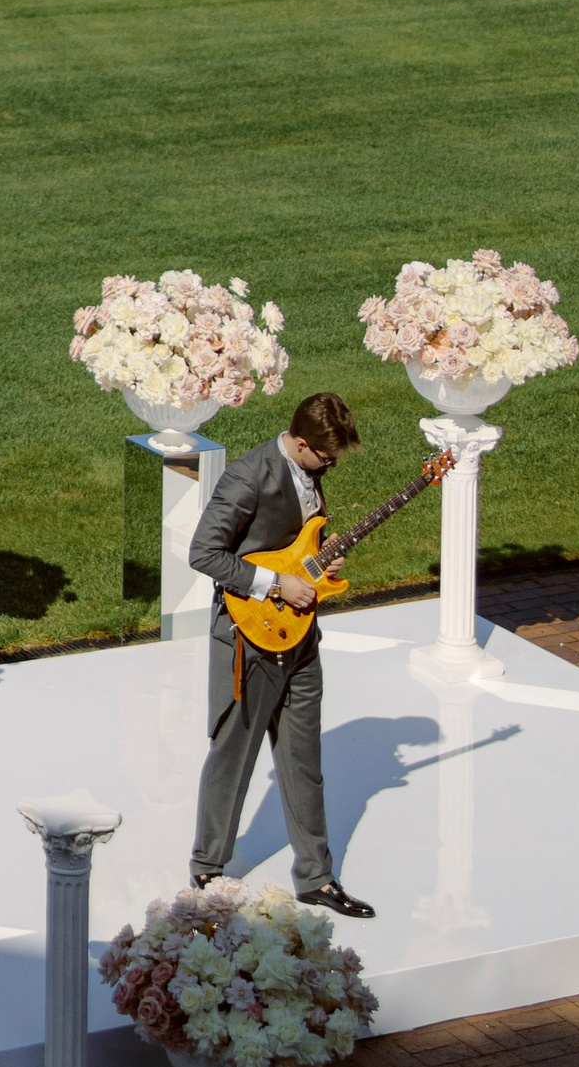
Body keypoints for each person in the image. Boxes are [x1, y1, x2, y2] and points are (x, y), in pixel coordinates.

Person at [186, 392, 376, 918]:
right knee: (234, 754)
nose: (330, 468)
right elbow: (204, 552)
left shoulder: (307, 470)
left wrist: (318, 569)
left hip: (300, 638)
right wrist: (276, 584)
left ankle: (315, 878)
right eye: (325, 459)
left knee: (303, 761)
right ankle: (208, 868)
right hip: (249, 639)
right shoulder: (250, 476)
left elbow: (293, 546)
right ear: (298, 443)